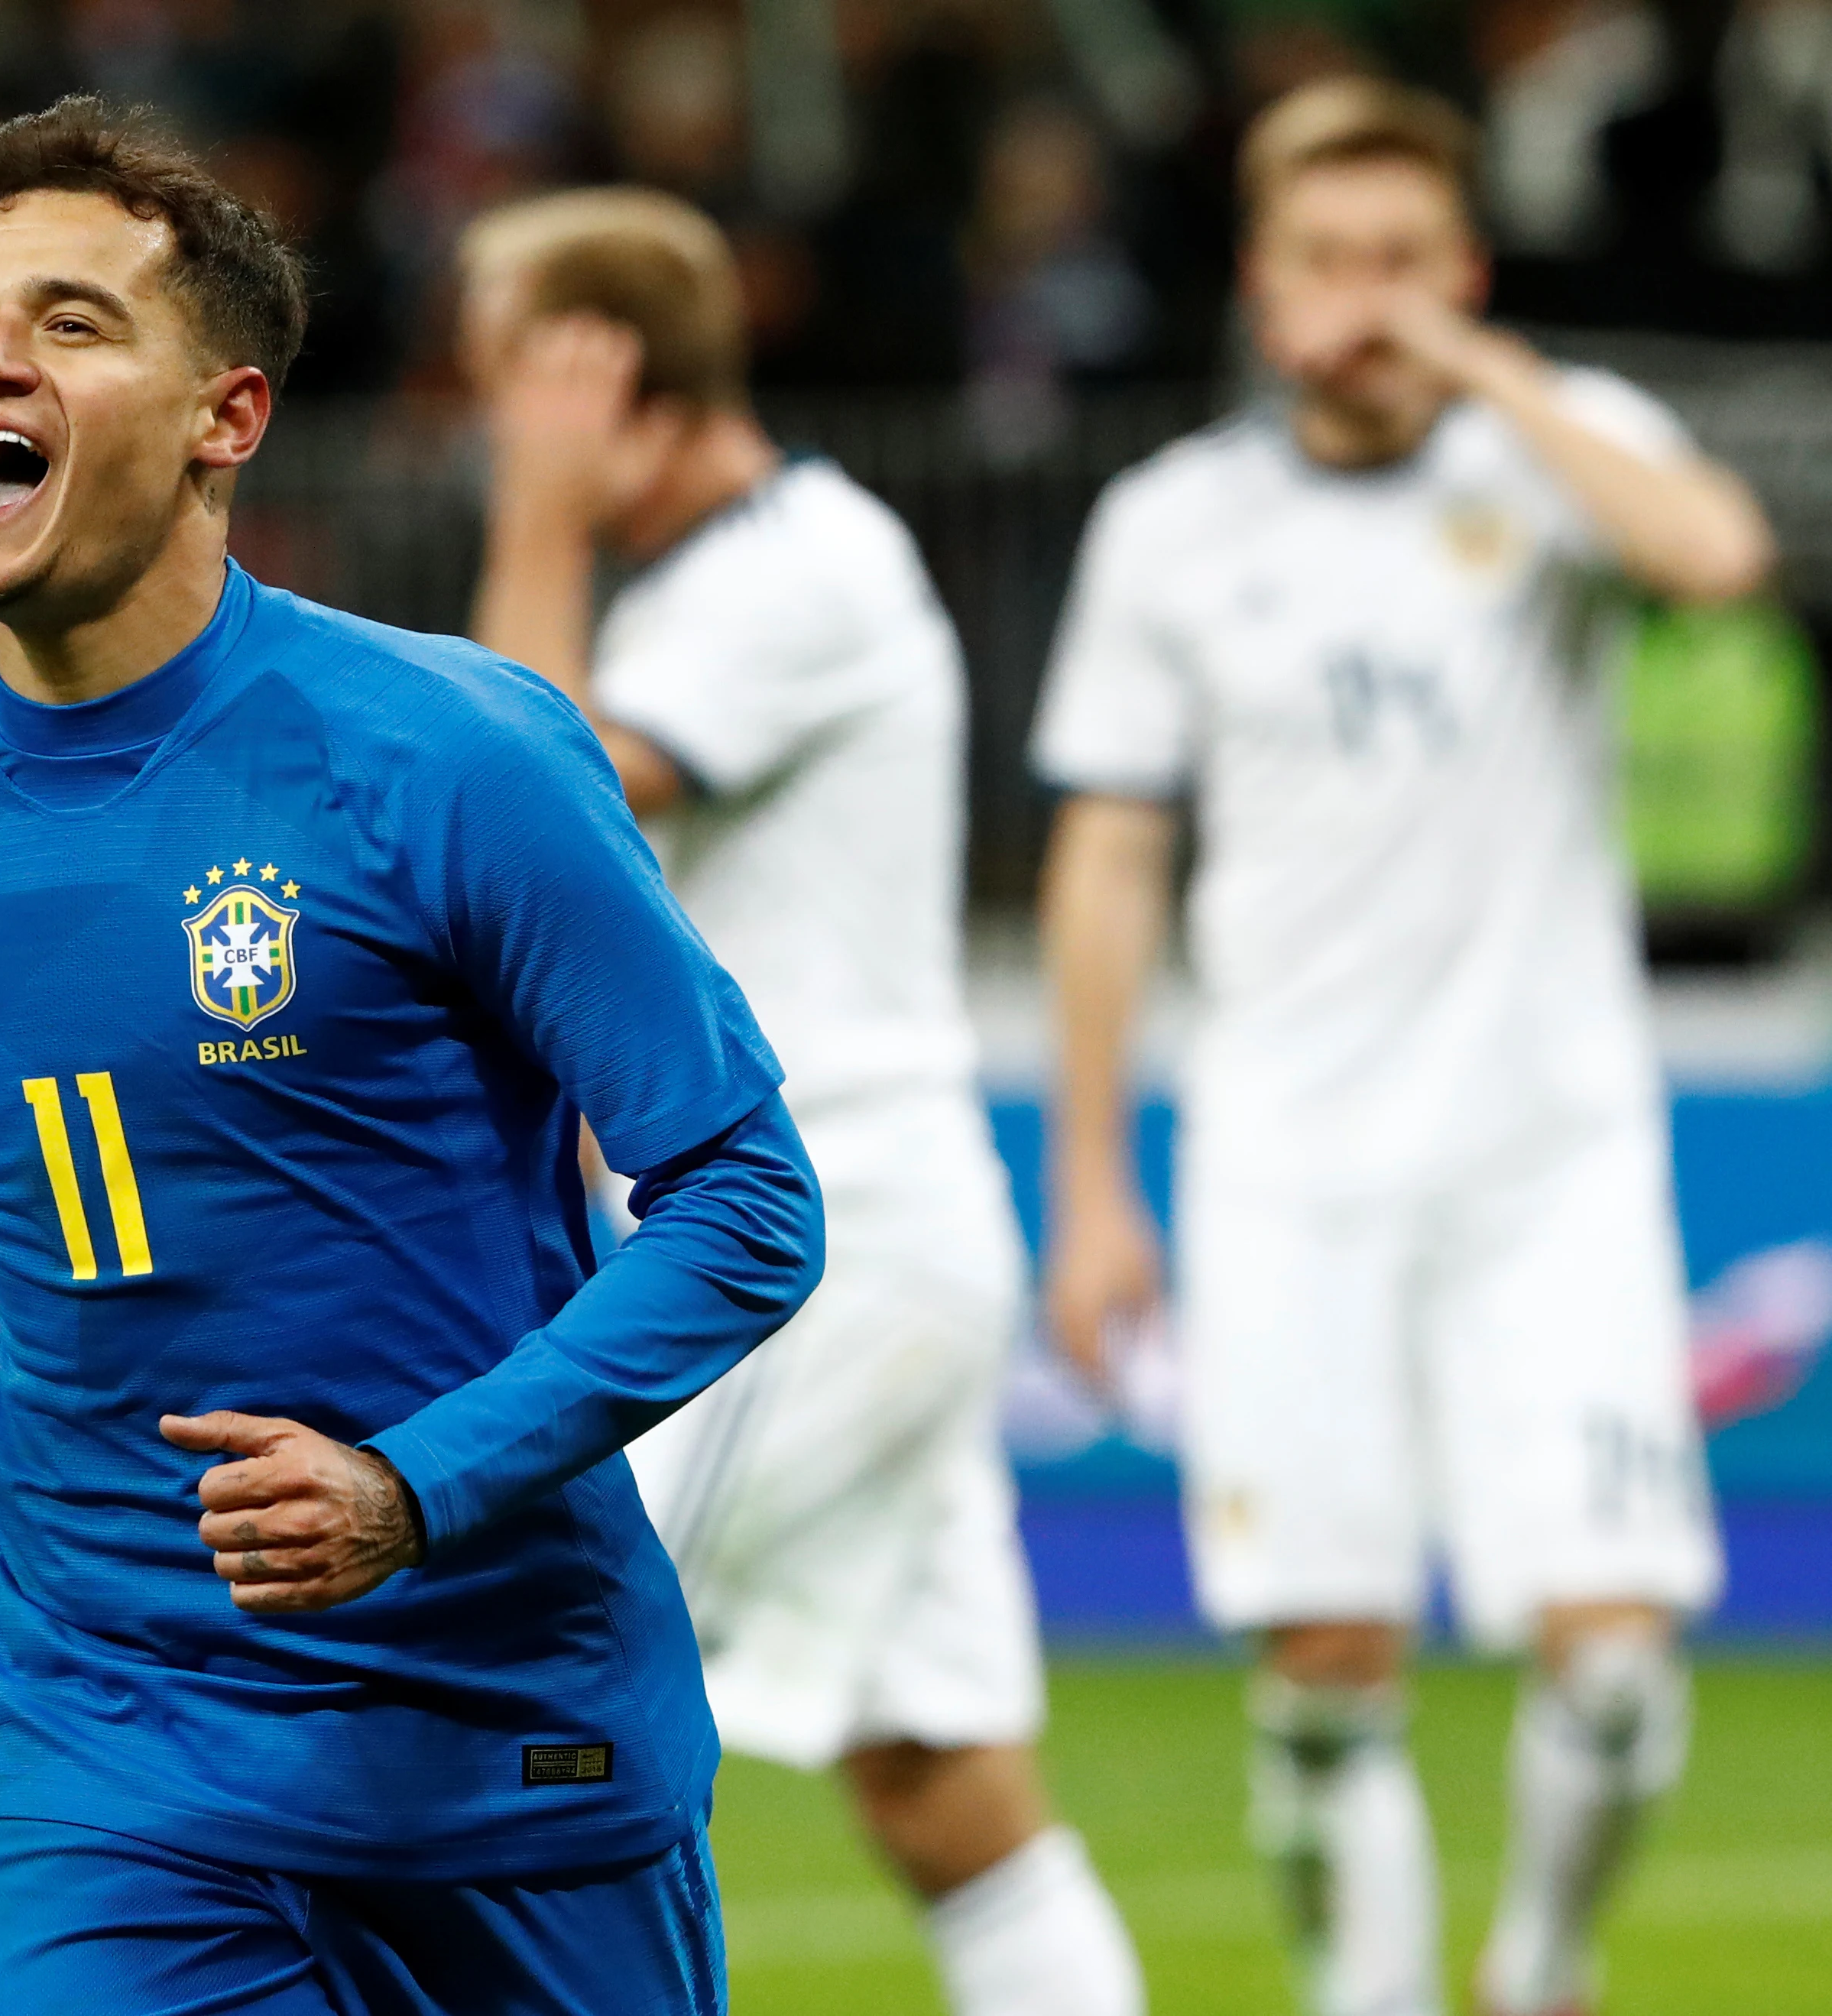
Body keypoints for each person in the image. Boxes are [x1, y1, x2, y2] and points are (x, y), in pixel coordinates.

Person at [0, 99, 824, 2016]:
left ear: (226, 421)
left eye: (73, 323)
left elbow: (748, 1203)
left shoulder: (450, 755)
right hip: (111, 1770)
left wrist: (415, 1484)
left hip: (498, 1751)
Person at [1034, 78, 1767, 2016]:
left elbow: (1713, 558)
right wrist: (1097, 1180)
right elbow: (1109, 855)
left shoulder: (1566, 447)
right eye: (1322, 260)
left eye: (1398, 259)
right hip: (1289, 1162)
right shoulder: (1175, 524)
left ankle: (1538, 1958)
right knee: (1323, 1664)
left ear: (1462, 268)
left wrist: (1483, 372)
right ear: (1260, 285)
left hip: (1551, 1155)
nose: (1359, 300)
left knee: (1615, 1662)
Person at [462, 188, 1147, 2016]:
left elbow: (539, 815)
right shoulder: (717, 578)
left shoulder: (800, 564)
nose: (489, 428)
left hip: (798, 1234)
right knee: (942, 1785)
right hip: (853, 1222)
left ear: (592, 373)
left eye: (507, 385)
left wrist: (533, 519)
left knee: (513, 1660)